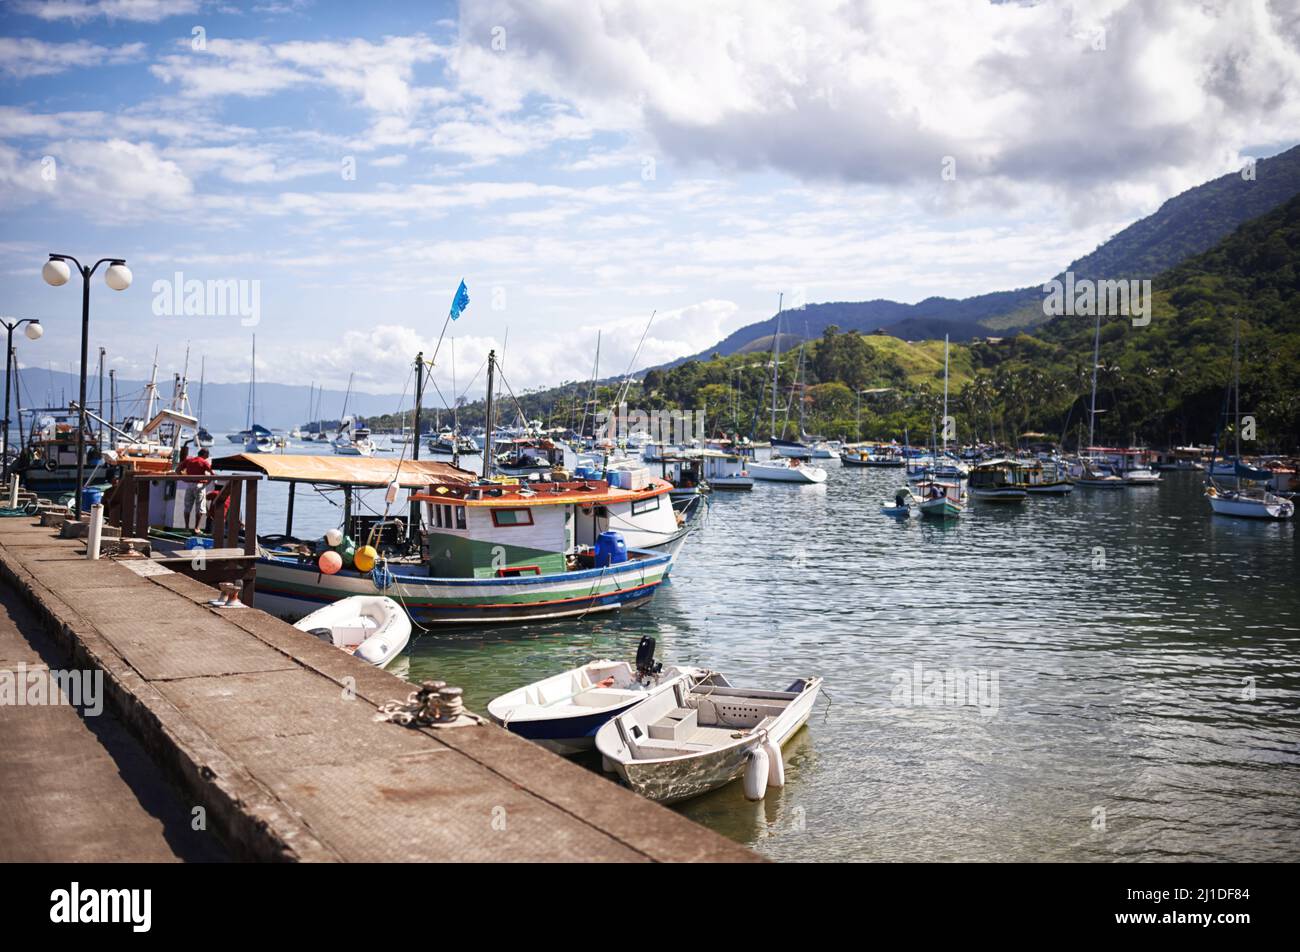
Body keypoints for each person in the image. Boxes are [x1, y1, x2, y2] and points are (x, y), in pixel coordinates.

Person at [181, 448, 213, 531]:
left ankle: (186, 527)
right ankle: (196, 528)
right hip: (199, 485)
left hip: (190, 485)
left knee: (187, 507)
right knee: (200, 507)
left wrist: (185, 479)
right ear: (205, 454)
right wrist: (207, 483)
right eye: (207, 454)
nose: (208, 456)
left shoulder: (189, 460)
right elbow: (212, 475)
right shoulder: (203, 462)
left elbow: (178, 470)